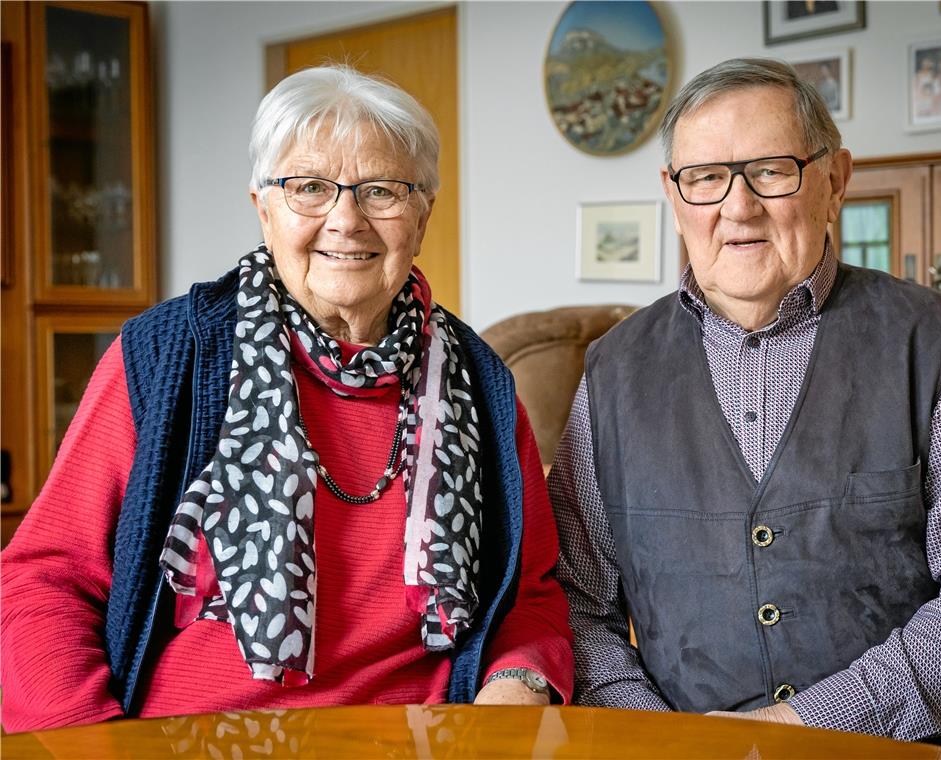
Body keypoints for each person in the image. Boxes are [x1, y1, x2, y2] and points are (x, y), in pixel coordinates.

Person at [1, 65, 572, 732]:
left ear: (423, 213)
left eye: (382, 190)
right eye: (308, 188)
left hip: (419, 741)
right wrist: (93, 746)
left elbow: (529, 598)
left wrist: (511, 696)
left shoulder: (481, 384)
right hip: (185, 741)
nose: (346, 220)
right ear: (263, 208)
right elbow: (45, 581)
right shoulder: (165, 359)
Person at [549, 58, 941, 759]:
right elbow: (578, 604)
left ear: (835, 180)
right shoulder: (611, 372)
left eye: (770, 169)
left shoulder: (931, 340)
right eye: (705, 177)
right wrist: (668, 743)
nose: (737, 207)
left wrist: (798, 732)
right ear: (673, 195)